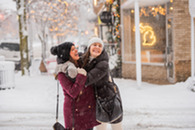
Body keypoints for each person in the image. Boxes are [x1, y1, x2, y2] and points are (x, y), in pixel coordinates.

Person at [50, 42, 100, 130]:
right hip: (75, 115)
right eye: (72, 50)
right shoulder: (62, 73)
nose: (76, 50)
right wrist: (81, 76)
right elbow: (73, 92)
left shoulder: (81, 64)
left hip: (87, 111)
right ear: (66, 54)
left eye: (75, 48)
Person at [81, 37, 123, 130]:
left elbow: (87, 80)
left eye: (100, 46)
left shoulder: (103, 64)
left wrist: (81, 73)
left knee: (117, 128)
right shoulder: (85, 60)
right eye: (94, 45)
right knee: (100, 128)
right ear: (89, 47)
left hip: (109, 100)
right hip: (96, 102)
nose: (97, 47)